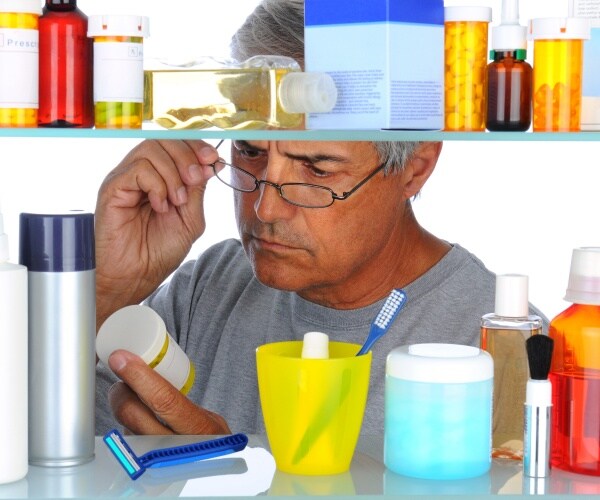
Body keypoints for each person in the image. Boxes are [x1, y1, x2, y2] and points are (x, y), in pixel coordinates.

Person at [95, 0, 547, 437]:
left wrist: (230, 477)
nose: (265, 209)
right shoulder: (210, 287)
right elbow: (51, 448)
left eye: (316, 167)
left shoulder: (499, 340)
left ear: (415, 167)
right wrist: (107, 291)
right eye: (249, 151)